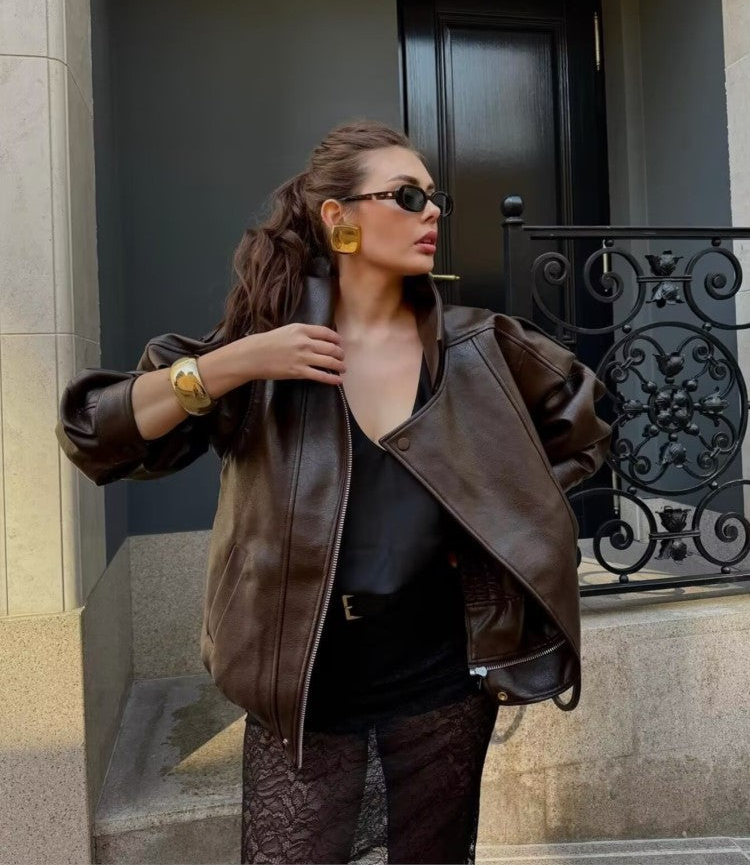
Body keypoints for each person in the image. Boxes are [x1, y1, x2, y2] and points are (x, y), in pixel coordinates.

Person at [56, 118, 612, 864]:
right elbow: (95, 431)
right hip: (304, 687)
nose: (432, 212)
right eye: (406, 195)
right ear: (337, 216)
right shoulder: (265, 351)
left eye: (434, 197)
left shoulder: (479, 347)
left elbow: (586, 430)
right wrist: (233, 364)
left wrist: (493, 522)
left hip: (442, 677)